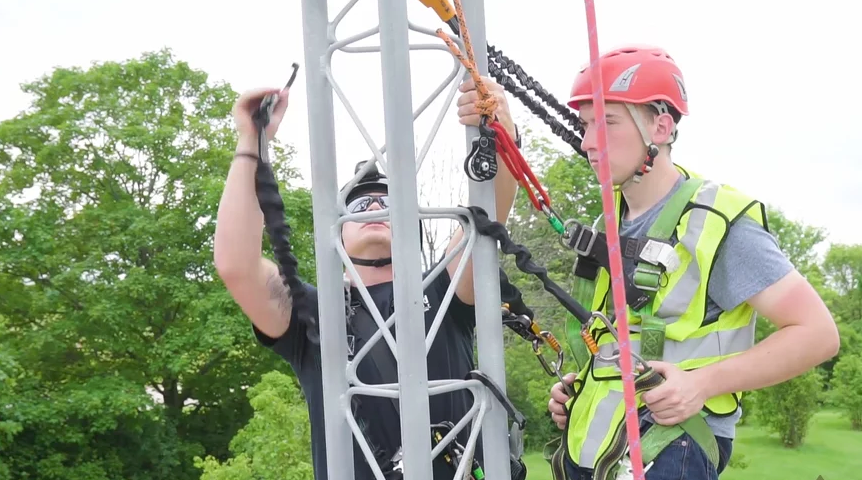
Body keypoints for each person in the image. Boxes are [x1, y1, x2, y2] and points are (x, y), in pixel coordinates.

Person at [545, 45, 840, 480]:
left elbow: (818, 335)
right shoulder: (608, 227)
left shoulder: (716, 224)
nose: (588, 143)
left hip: (675, 447)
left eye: (605, 124)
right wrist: (583, 389)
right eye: (585, 125)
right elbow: (631, 340)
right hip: (606, 449)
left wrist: (701, 384)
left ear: (661, 126)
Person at [213, 75, 521, 480]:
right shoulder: (312, 315)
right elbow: (236, 265)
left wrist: (501, 128)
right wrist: (251, 142)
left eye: (388, 202)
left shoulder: (444, 288)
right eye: (359, 202)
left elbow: (488, 212)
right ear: (337, 231)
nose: (374, 206)